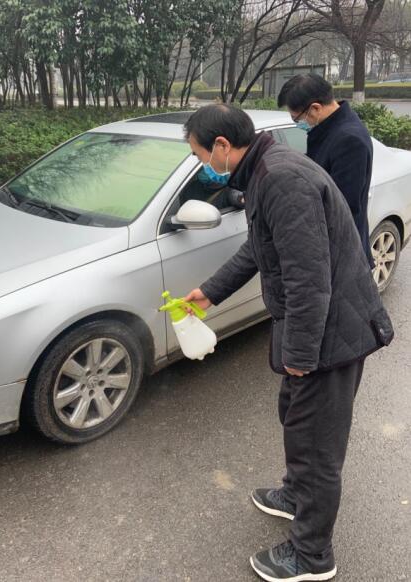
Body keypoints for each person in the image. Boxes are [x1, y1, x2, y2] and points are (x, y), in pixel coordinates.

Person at [183, 104, 393, 582]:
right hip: (319, 327)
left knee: (317, 446)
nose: (202, 165)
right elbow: (260, 246)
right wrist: (211, 292)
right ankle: (296, 496)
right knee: (296, 421)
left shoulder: (280, 179)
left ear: (221, 145)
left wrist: (299, 356)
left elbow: (308, 281)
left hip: (331, 333)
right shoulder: (263, 170)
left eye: (199, 155)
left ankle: (312, 556)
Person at [277, 73, 374, 266]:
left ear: (315, 108)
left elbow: (342, 205)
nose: (299, 125)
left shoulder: (349, 140)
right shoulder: (328, 129)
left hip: (340, 252)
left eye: (297, 119)